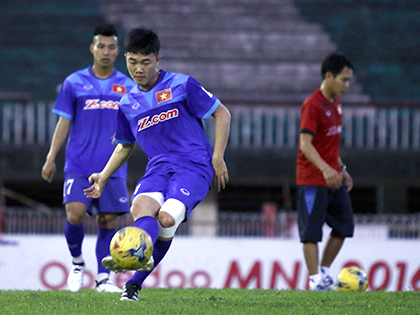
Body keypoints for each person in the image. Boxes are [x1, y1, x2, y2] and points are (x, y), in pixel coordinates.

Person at [84, 27, 231, 301]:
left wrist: (217, 157)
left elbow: (222, 113)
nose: (138, 69)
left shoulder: (181, 84)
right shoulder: (127, 103)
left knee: (165, 218)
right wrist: (103, 176)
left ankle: (134, 282)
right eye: (132, 62)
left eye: (145, 62)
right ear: (125, 58)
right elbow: (124, 146)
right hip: (159, 169)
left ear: (158, 60)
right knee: (140, 208)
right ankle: (136, 257)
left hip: (193, 167)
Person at [41, 24, 136, 293]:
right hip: (79, 163)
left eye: (111, 47)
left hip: (112, 166)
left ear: (117, 50)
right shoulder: (74, 82)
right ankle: (77, 263)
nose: (106, 52)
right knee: (75, 214)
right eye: (101, 46)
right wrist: (51, 158)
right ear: (92, 48)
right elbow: (63, 122)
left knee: (108, 219)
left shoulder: (128, 85)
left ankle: (103, 280)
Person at [296, 53, 355, 291]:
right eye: (343, 79)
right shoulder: (313, 104)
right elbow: (305, 144)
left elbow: (327, 143)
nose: (347, 85)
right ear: (329, 76)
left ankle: (323, 273)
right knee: (311, 232)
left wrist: (340, 167)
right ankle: (315, 281)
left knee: (344, 226)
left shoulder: (336, 103)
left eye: (349, 80)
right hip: (313, 178)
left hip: (334, 175)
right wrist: (326, 169)